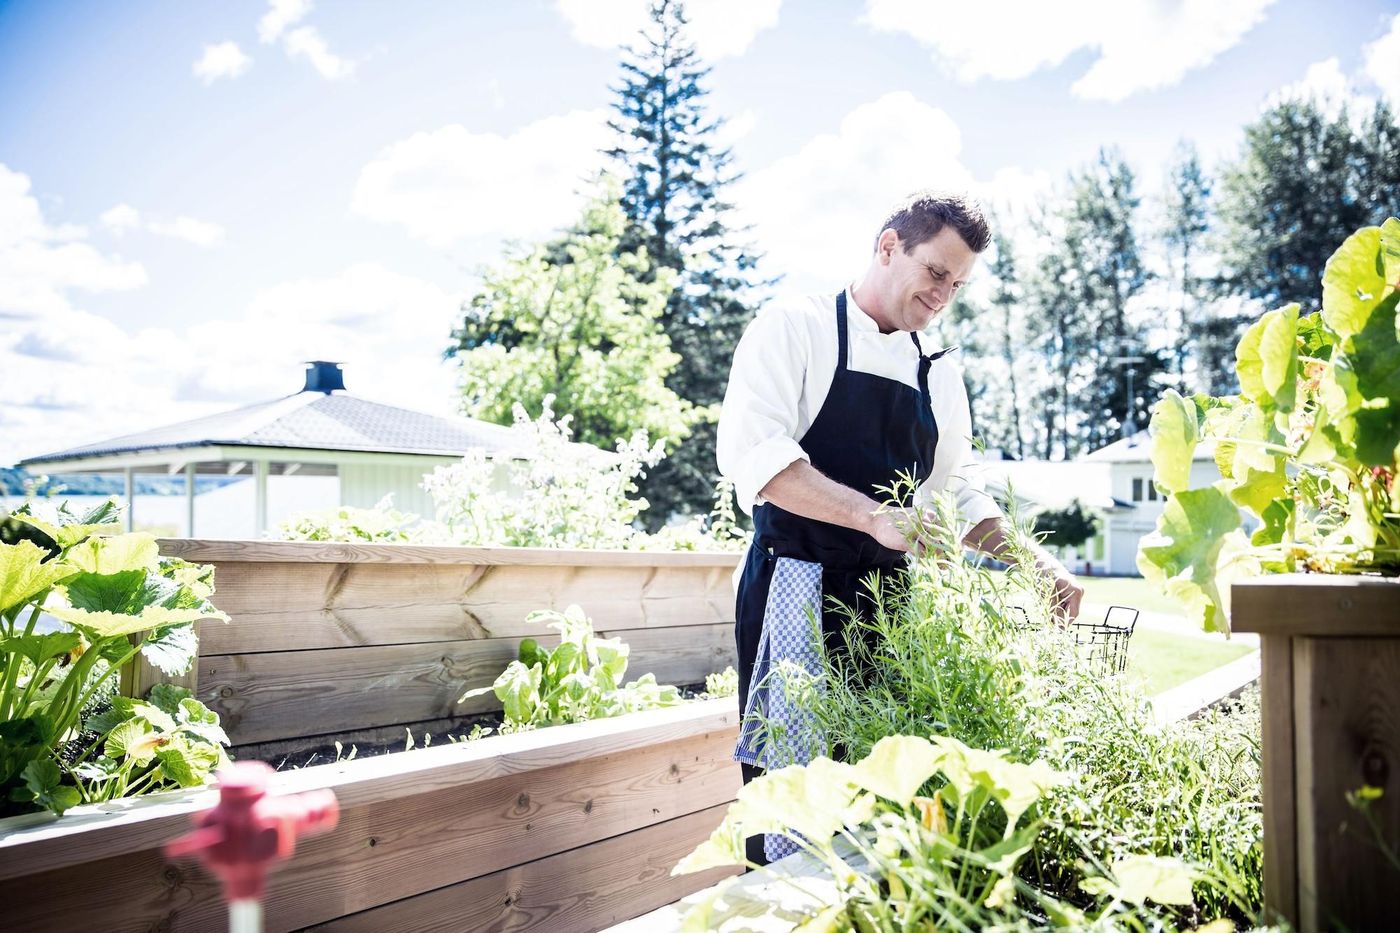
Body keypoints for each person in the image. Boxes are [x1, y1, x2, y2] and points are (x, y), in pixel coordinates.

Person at [715, 191, 1084, 864]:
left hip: (888, 606)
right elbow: (757, 458)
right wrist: (871, 515)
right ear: (888, 246)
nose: (943, 295)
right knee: (793, 798)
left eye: (958, 284)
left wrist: (1038, 566)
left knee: (881, 791)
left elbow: (956, 491)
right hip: (795, 587)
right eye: (936, 272)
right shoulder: (796, 326)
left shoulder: (938, 371)